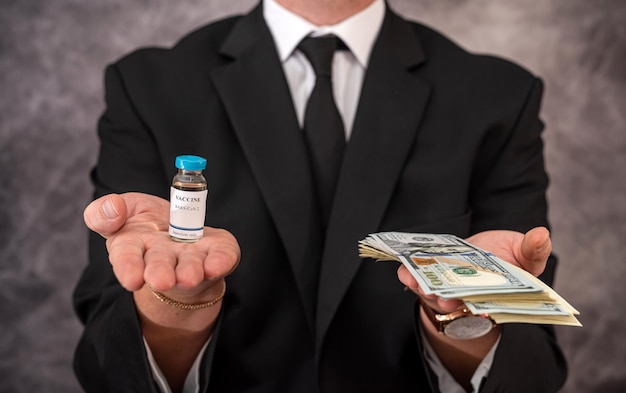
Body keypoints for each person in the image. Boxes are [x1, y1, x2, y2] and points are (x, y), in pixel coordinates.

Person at [73, 0, 567, 392]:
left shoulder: (498, 96)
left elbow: (531, 374)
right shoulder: (147, 87)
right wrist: (172, 298)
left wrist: (465, 308)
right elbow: (109, 371)